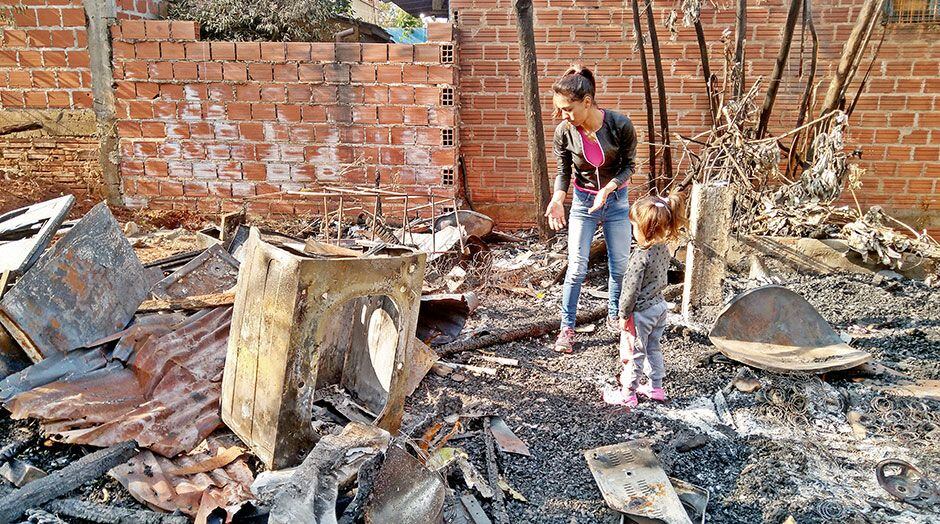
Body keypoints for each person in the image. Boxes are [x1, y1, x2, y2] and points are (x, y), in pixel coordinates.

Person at [547, 65, 638, 353]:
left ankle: (615, 315)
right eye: (560, 110)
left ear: (587, 103)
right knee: (576, 267)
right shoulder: (565, 132)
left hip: (616, 203)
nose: (563, 116)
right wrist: (558, 198)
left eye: (568, 109)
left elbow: (629, 167)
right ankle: (567, 328)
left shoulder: (620, 125)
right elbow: (563, 171)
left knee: (620, 265)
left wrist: (608, 189)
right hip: (584, 203)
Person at [603, 193, 686, 408]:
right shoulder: (663, 249)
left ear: (645, 228)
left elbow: (630, 290)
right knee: (653, 348)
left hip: (641, 312)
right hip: (659, 307)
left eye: (634, 227)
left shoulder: (640, 256)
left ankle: (628, 393)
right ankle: (656, 387)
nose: (633, 231)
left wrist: (623, 314)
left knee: (635, 353)